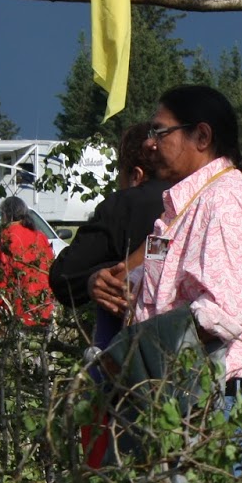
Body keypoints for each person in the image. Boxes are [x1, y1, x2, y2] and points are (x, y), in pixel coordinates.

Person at [122, 83, 242, 398]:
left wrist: (142, 347)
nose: (149, 144)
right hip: (192, 392)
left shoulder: (222, 203)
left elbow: (221, 314)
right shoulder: (194, 201)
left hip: (212, 399)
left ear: (201, 137)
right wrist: (124, 285)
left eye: (160, 133)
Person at [49, 122, 173, 353]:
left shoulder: (127, 204)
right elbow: (160, 251)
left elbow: (63, 277)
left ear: (136, 175)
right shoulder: (197, 203)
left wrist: (103, 274)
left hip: (127, 352)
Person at [0, 196, 55, 330]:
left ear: (5, 215)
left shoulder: (1, 238)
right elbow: (51, 269)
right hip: (42, 307)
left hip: (14, 309)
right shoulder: (40, 237)